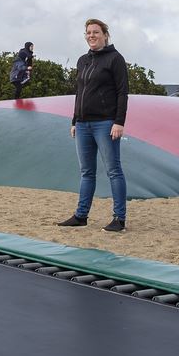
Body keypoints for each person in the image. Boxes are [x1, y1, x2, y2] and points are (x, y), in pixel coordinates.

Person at [58, 19, 128, 232]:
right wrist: (74, 120)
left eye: (96, 32)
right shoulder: (83, 60)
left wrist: (119, 122)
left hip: (105, 123)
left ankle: (119, 218)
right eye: (88, 32)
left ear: (105, 35)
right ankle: (81, 216)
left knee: (113, 170)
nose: (91, 36)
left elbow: (122, 92)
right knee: (86, 172)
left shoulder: (115, 59)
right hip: (82, 125)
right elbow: (79, 93)